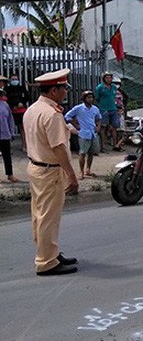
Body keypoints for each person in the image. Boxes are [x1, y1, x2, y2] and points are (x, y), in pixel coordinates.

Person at [24, 68, 79, 276]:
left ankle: (49, 252)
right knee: (48, 217)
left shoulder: (34, 109)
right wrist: (71, 175)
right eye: (63, 88)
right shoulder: (51, 114)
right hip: (50, 170)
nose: (65, 91)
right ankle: (46, 262)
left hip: (36, 167)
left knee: (40, 215)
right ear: (54, 91)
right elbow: (58, 148)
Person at [64, 90, 101, 180]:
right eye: (88, 97)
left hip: (93, 133)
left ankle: (88, 169)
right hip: (83, 133)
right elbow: (67, 116)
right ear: (84, 99)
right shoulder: (78, 108)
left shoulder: (95, 109)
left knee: (91, 152)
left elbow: (99, 118)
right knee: (82, 152)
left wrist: (98, 127)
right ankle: (81, 171)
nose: (90, 99)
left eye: (91, 97)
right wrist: (76, 125)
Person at [94, 71, 121, 152]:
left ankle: (115, 145)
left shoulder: (113, 87)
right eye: (107, 78)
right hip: (103, 109)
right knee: (103, 127)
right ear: (104, 79)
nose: (109, 79)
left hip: (113, 109)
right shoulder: (100, 87)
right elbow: (97, 98)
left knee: (114, 127)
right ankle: (103, 146)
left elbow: (116, 97)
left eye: (110, 78)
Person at [5, 73, 30, 152]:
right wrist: (13, 106)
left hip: (21, 110)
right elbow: (5, 99)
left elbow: (28, 97)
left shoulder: (22, 88)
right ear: (9, 80)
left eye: (16, 79)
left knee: (22, 128)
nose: (15, 81)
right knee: (8, 129)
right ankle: (8, 148)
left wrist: (22, 103)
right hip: (10, 111)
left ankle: (24, 146)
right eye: (13, 79)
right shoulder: (7, 89)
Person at [0, 89, 20, 182]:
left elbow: (10, 120)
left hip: (5, 135)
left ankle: (10, 174)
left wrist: (11, 132)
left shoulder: (5, 105)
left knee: (7, 156)